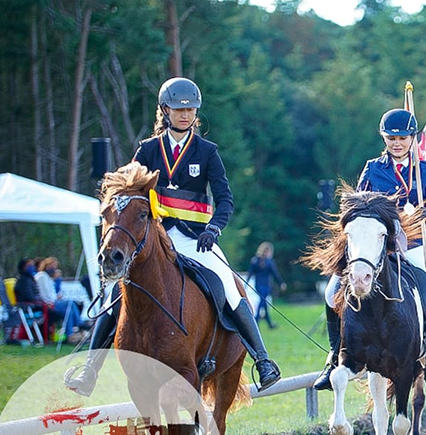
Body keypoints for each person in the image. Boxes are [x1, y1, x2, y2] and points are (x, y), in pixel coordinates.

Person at [65, 77, 281, 396]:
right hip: (156, 238)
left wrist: (214, 228)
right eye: (178, 109)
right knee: (116, 292)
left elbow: (225, 199)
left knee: (228, 284)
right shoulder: (149, 149)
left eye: (190, 109)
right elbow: (130, 191)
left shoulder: (207, 151)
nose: (184, 114)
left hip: (197, 239)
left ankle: (263, 361)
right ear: (165, 110)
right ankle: (89, 369)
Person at [313, 108, 426, 391]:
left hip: (413, 243)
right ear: (384, 138)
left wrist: (420, 217)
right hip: (375, 245)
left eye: (402, 138)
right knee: (333, 292)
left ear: (411, 138)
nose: (397, 143)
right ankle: (334, 357)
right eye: (391, 138)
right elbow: (354, 205)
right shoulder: (372, 168)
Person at [34, 256, 83, 339]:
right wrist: (50, 301)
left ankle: (70, 334)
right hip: (49, 303)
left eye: (55, 266)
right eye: (52, 266)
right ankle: (79, 323)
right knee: (70, 303)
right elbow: (43, 293)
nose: (54, 268)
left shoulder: (48, 277)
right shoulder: (41, 276)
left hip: (53, 301)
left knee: (69, 311)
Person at [249, 242, 285, 329]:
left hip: (258, 285)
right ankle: (255, 322)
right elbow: (275, 274)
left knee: (263, 304)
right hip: (266, 286)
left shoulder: (255, 260)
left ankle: (269, 324)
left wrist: (246, 283)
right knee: (262, 303)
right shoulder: (269, 262)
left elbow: (250, 273)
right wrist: (281, 283)